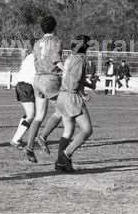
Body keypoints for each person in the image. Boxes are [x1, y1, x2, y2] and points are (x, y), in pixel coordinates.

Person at [24, 15, 63, 163]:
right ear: (55, 26)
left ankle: (29, 147)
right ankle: (43, 137)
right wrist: (68, 71)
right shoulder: (56, 41)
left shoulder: (37, 43)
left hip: (38, 79)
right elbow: (56, 61)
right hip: (50, 79)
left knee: (39, 116)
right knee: (62, 110)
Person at [55, 35, 97, 172]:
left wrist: (89, 84)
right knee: (87, 129)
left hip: (62, 95)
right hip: (72, 97)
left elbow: (72, 77)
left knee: (68, 131)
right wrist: (82, 94)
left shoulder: (70, 57)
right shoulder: (80, 59)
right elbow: (74, 81)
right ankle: (66, 155)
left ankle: (60, 163)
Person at [10, 40, 36, 149]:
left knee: (28, 115)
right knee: (31, 115)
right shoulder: (36, 58)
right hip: (26, 86)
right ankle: (16, 139)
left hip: (22, 85)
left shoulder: (29, 57)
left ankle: (17, 138)